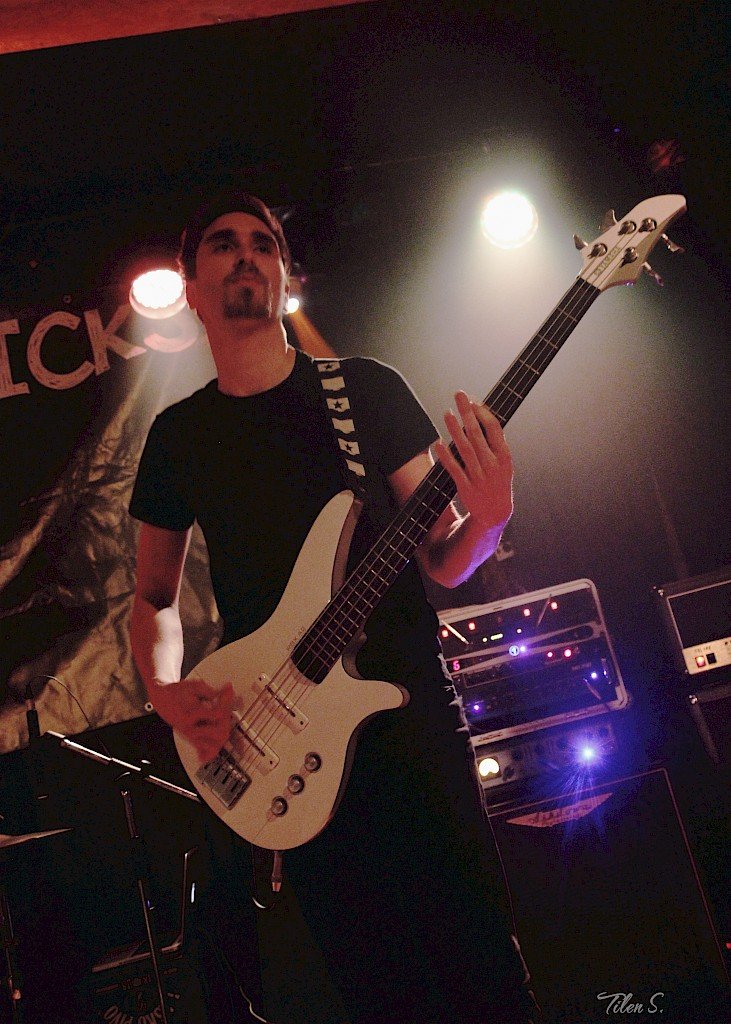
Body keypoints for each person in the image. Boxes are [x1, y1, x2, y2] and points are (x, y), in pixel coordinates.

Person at [129, 190, 538, 1023]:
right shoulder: (177, 436)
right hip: (284, 743)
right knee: (376, 989)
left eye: (263, 243)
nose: (247, 254)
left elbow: (442, 558)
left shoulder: (363, 390)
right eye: (223, 243)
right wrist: (165, 691)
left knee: (482, 970)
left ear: (285, 276)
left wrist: (490, 518)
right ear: (191, 287)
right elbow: (151, 597)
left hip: (410, 726)